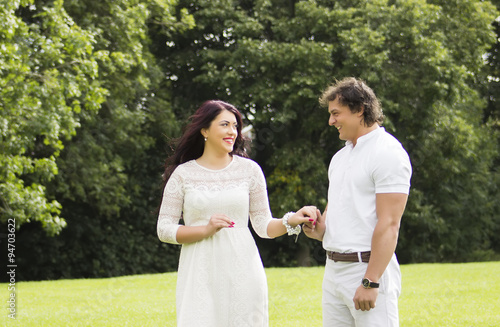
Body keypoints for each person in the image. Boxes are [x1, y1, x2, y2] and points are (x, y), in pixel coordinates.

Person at [157, 100, 317, 327]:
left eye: (235, 126)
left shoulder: (250, 170)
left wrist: (291, 219)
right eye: (225, 125)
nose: (232, 131)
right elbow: (164, 229)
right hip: (199, 273)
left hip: (243, 270)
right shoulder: (183, 174)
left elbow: (262, 226)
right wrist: (205, 229)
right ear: (204, 130)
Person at [303, 77, 412, 326]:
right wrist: (320, 229)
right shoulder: (340, 157)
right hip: (333, 272)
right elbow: (338, 217)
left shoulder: (388, 153)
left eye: (335, 113)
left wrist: (371, 281)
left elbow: (390, 223)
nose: (331, 121)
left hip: (367, 271)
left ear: (360, 109)